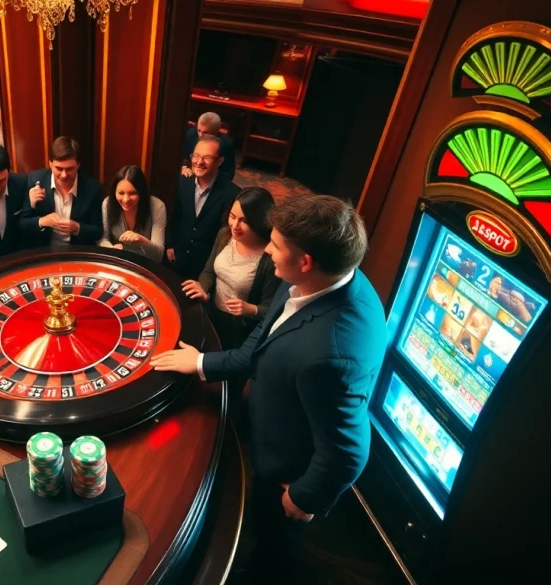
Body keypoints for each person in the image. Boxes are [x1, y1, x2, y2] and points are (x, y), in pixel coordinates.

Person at [151, 195, 388, 585]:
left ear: (305, 261)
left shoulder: (332, 353)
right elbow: (262, 340)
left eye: (275, 246)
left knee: (277, 541)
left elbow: (349, 450)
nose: (268, 252)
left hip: (287, 469)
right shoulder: (311, 277)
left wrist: (303, 497)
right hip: (273, 421)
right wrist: (200, 363)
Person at [181, 188, 280, 349]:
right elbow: (209, 271)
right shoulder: (224, 235)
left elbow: (271, 309)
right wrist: (203, 289)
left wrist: (251, 309)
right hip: (211, 313)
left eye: (245, 221)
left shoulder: (269, 258)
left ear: (260, 221)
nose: (235, 225)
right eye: (232, 217)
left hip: (239, 330)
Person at [167, 134, 239, 280]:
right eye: (196, 156)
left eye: (207, 157)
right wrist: (169, 245)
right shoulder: (182, 183)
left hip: (206, 267)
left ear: (220, 161)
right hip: (176, 258)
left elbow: (225, 235)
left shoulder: (232, 193)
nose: (199, 162)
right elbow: (174, 216)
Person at [19, 136, 103, 247]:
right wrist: (42, 221)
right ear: (50, 163)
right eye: (58, 168)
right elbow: (22, 225)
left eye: (69, 169)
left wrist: (77, 228)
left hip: (77, 252)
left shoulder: (93, 188)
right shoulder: (35, 180)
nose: (64, 175)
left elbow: (98, 231)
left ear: (78, 165)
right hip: (45, 251)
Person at [98, 165, 166, 262]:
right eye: (121, 193)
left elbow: (158, 255)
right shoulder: (108, 203)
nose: (126, 199)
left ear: (141, 192)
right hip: (118, 260)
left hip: (146, 264)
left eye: (132, 193)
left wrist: (140, 240)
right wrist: (112, 249)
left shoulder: (157, 206)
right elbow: (103, 238)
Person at [182, 112, 236, 179]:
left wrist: (209, 174)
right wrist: (183, 167)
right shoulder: (191, 135)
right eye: (199, 130)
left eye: (205, 133)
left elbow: (229, 173)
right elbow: (182, 156)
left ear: (216, 131)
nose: (200, 136)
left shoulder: (226, 144)